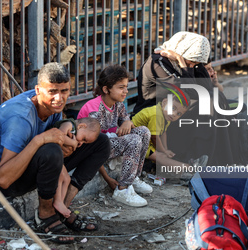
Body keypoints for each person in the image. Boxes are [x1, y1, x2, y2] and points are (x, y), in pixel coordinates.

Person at [0, 62, 110, 244]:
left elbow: (58, 134)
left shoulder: (51, 107)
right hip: (9, 181)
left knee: (101, 142)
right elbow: (3, 179)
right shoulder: (20, 118)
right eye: (52, 91)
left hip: (36, 165)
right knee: (50, 149)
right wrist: (39, 140)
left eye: (64, 91)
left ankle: (63, 206)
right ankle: (45, 214)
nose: (59, 98)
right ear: (38, 90)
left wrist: (66, 142)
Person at [133, 31, 237, 166]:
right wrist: (182, 63)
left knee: (215, 97)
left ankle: (220, 159)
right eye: (192, 61)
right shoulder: (158, 63)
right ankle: (196, 159)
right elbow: (191, 93)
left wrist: (197, 65)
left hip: (175, 113)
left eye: (196, 63)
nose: (193, 66)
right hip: (158, 118)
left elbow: (208, 88)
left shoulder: (187, 62)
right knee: (207, 105)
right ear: (183, 52)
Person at [77, 64, 153, 207]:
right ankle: (122, 190)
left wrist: (127, 122)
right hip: (90, 150)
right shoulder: (94, 110)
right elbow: (93, 147)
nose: (125, 91)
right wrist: (107, 178)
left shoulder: (118, 104)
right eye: (120, 87)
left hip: (107, 143)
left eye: (126, 86)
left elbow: (127, 121)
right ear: (106, 89)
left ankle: (133, 178)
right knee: (133, 139)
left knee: (143, 131)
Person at [131, 94, 208, 173]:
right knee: (161, 157)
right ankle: (190, 168)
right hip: (135, 142)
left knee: (165, 155)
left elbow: (163, 132)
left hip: (145, 141)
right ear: (165, 102)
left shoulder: (165, 115)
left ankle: (181, 171)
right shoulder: (156, 114)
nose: (174, 114)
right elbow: (155, 137)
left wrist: (166, 149)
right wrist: (163, 151)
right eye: (173, 108)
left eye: (179, 114)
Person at [53, 117, 101, 218]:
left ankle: (61, 202)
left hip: (58, 157)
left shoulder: (75, 131)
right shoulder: (69, 124)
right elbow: (59, 135)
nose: (80, 144)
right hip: (51, 155)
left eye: (84, 143)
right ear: (81, 126)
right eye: (83, 139)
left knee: (67, 178)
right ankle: (57, 202)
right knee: (60, 176)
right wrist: (72, 143)